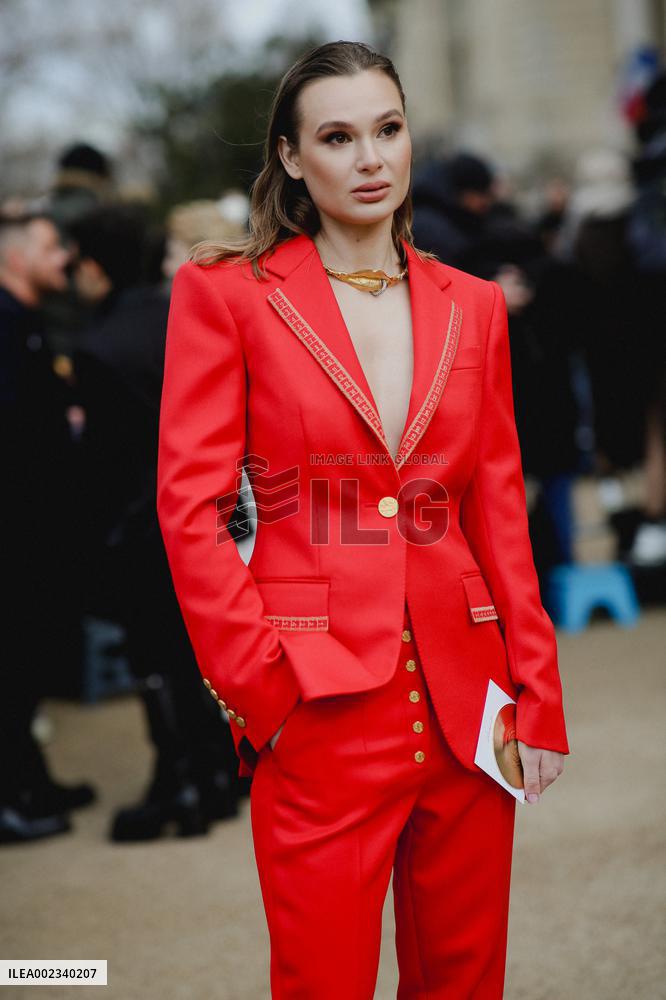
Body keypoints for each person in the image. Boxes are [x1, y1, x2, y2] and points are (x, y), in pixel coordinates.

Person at [156, 40, 570, 998]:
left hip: (473, 709)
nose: (371, 157)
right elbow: (193, 508)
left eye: (388, 129)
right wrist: (264, 692)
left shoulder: (473, 307)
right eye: (338, 137)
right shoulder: (228, 296)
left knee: (466, 983)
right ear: (293, 159)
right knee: (322, 983)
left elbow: (497, 511)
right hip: (316, 700)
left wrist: (537, 696)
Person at [0, 212, 96, 844]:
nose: (61, 255)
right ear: (12, 256)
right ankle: (10, 799)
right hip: (13, 527)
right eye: (47, 246)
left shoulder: (26, 320)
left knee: (27, 661)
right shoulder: (4, 324)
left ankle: (29, 779)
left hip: (35, 526)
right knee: (10, 661)